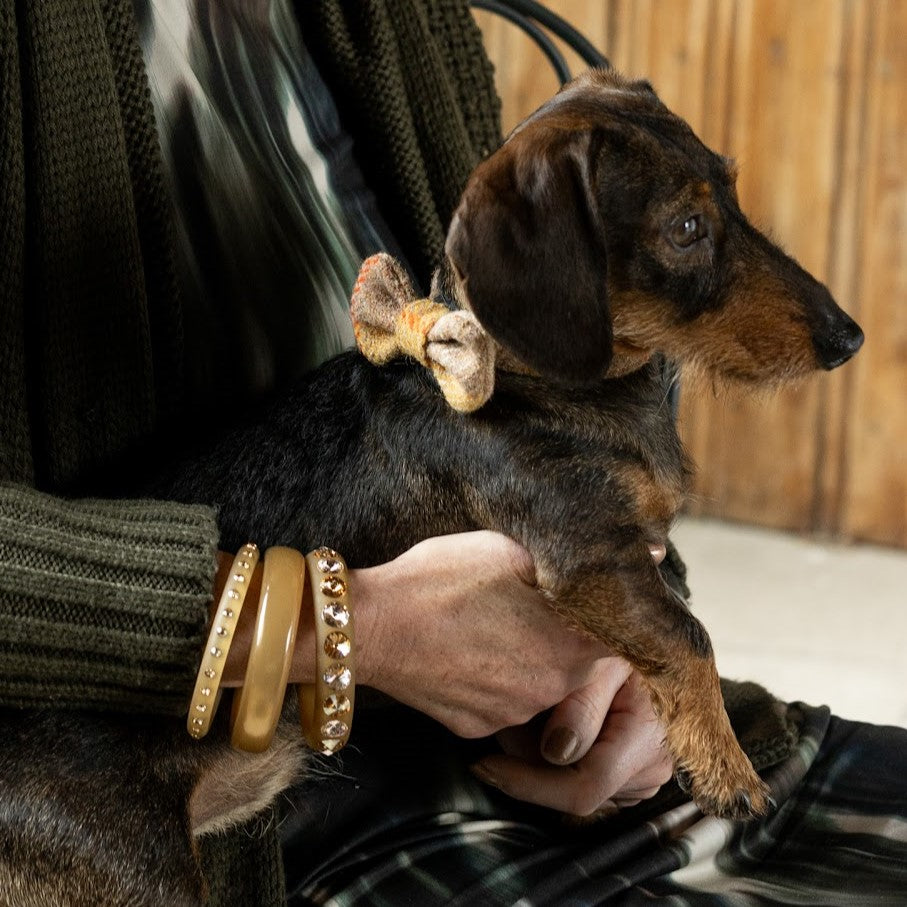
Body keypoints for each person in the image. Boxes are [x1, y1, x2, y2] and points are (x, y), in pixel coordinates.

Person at [0, 2, 904, 905]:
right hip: (207, 817)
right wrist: (361, 626)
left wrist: (625, 655)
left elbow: (550, 358)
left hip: (508, 758)